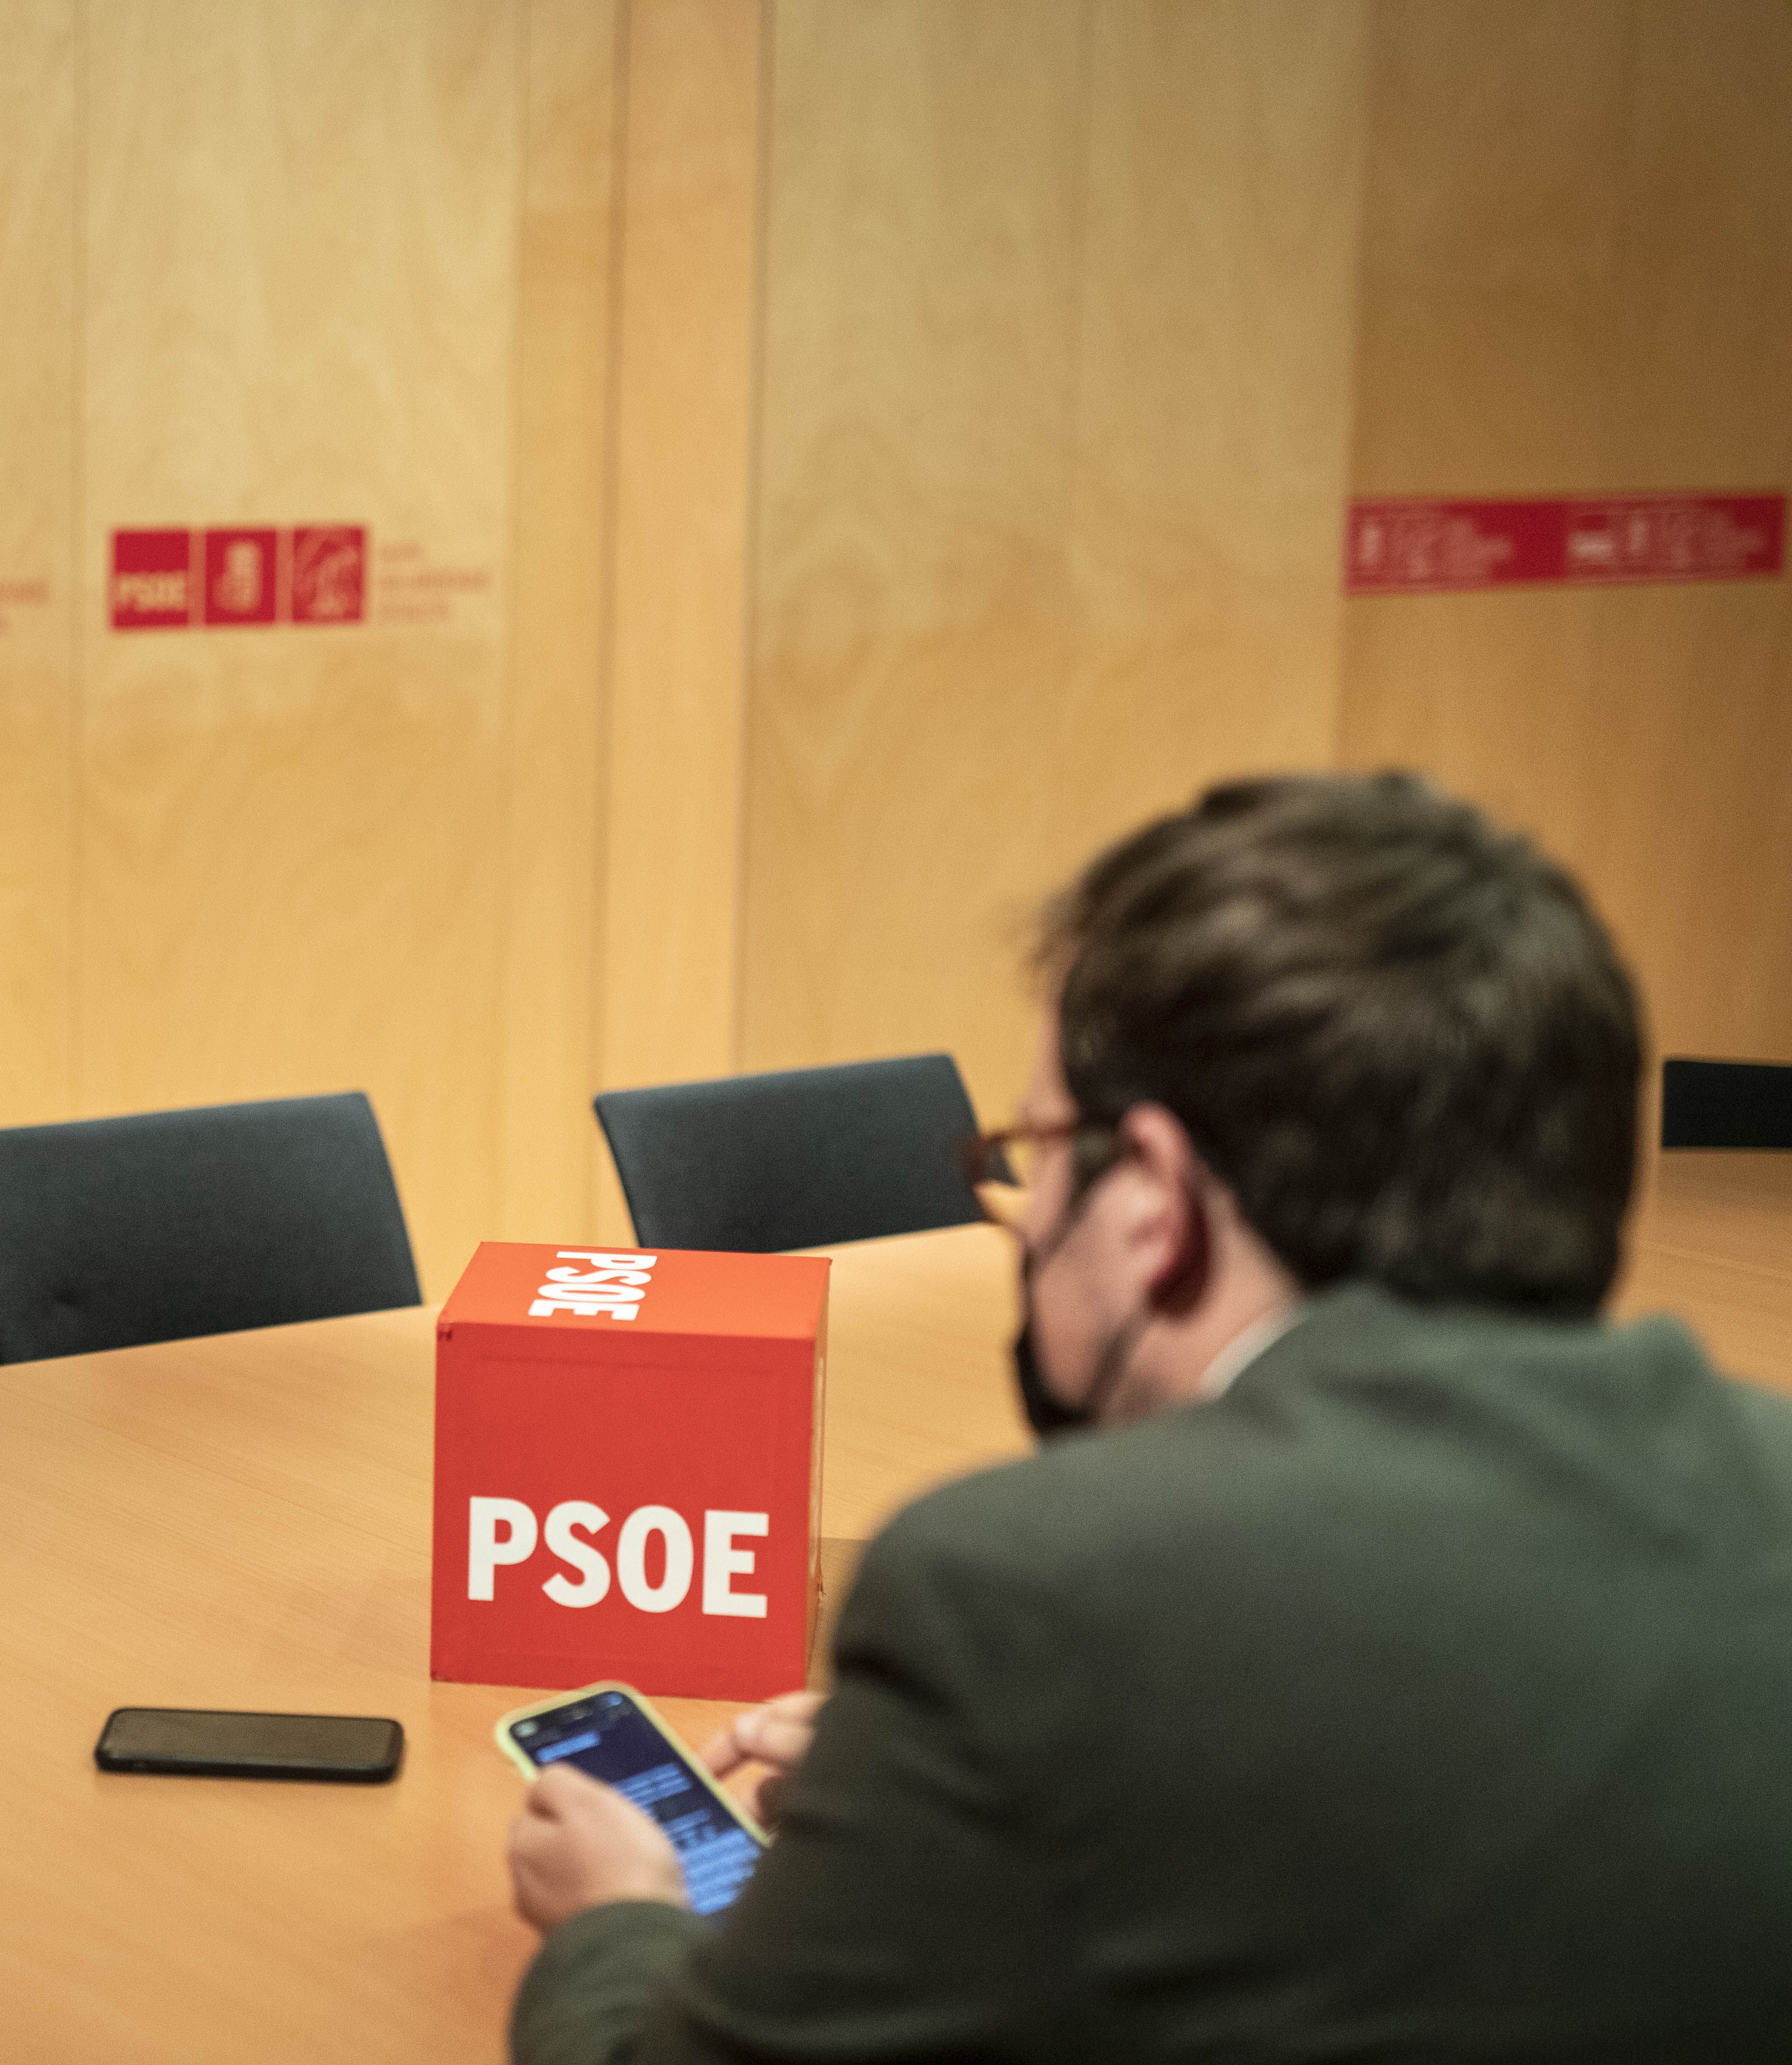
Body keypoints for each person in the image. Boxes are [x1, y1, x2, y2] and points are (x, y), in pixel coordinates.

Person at [504, 773, 1792, 2061]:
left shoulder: (1018, 1600)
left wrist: (617, 1921)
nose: (1023, 1215)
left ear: (1154, 1200)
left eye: (1036, 1150)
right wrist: (958, 1790)